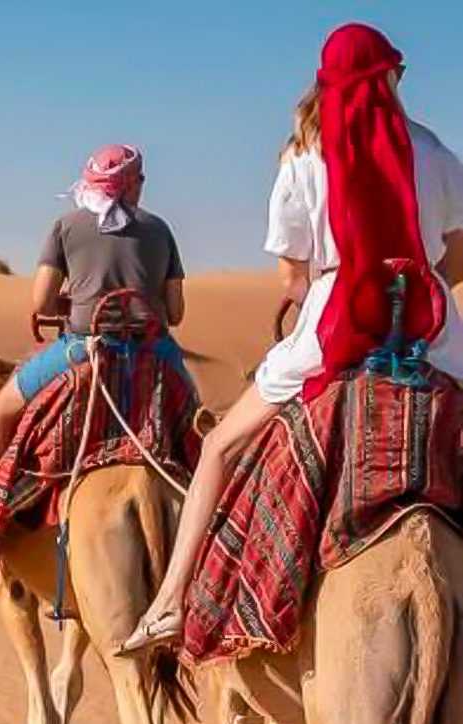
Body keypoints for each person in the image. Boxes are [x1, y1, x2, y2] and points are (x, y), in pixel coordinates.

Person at [119, 22, 463, 653]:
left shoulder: (304, 156)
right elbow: (458, 260)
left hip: (332, 328)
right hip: (432, 333)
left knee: (220, 445)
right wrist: (411, 291)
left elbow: (293, 272)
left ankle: (169, 604)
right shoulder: (437, 153)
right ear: (390, 77)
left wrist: (329, 296)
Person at [0, 144, 190, 551]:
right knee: (202, 431)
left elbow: (41, 302)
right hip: (154, 355)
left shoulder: (67, 226)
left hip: (84, 349)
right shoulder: (160, 229)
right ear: (134, 185)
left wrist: (75, 301)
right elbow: (175, 311)